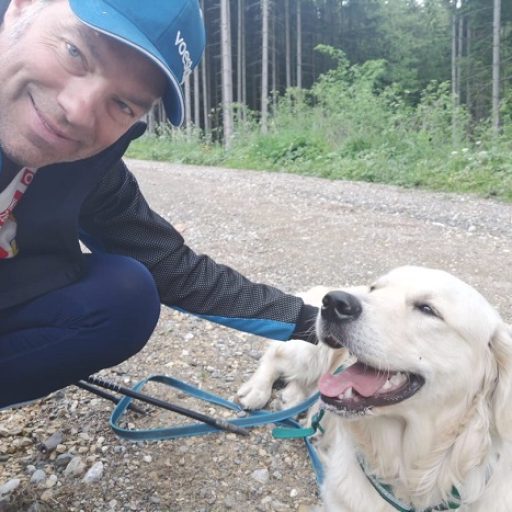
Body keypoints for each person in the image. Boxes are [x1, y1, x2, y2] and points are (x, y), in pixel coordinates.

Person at [0, 0, 318, 409]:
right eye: (74, 52)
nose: (77, 111)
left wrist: (315, 323)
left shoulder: (90, 157)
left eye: (123, 104)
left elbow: (168, 265)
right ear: (24, 7)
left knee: (125, 295)